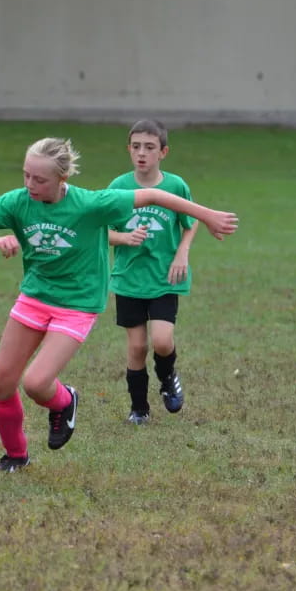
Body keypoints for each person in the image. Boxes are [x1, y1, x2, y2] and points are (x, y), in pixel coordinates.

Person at [0, 137, 237, 472]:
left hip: (77, 304)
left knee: (35, 384)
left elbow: (155, 196)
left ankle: (66, 401)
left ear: (62, 180)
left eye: (39, 179)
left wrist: (206, 216)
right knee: (2, 382)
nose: (30, 184)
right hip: (34, 298)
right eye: (26, 175)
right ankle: (16, 456)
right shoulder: (17, 202)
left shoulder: (91, 204)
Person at [108, 119, 196, 425]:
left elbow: (192, 220)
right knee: (137, 347)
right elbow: (100, 230)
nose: (141, 153)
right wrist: (123, 238)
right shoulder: (118, 188)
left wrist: (181, 253)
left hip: (164, 278)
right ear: (128, 150)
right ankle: (139, 409)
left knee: (161, 341)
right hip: (129, 278)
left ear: (163, 152)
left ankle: (168, 375)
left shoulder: (175, 186)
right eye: (136, 147)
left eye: (149, 147)